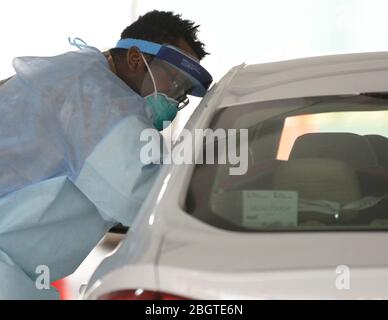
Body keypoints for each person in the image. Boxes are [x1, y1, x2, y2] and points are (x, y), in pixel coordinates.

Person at [0, 10, 212, 299]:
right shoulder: (96, 97)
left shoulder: (75, 76)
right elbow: (140, 197)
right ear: (137, 59)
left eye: (184, 92)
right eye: (175, 82)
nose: (175, 100)